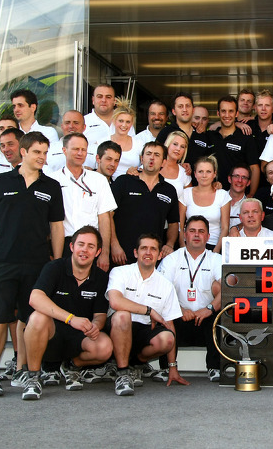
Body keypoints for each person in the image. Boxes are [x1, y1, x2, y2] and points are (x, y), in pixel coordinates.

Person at [0, 131, 65, 397]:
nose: (43, 158)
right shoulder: (0, 181)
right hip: (3, 261)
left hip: (36, 263)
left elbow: (56, 227)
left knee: (27, 318)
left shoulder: (51, 186)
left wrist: (56, 262)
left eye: (46, 153)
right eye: (37, 152)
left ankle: (23, 370)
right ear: (23, 152)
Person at [20, 227, 112, 400]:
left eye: (91, 246)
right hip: (50, 333)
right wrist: (70, 319)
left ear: (98, 252)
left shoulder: (101, 277)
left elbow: (100, 314)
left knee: (104, 347)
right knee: (38, 317)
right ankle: (33, 377)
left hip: (79, 337)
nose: (85, 250)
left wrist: (95, 326)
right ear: (71, 247)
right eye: (81, 244)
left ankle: (71, 366)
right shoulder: (54, 268)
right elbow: (35, 298)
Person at [107, 233, 186, 395]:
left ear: (159, 255)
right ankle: (123, 374)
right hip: (117, 329)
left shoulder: (166, 285)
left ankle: (136, 364)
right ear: (136, 253)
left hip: (144, 331)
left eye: (153, 249)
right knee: (122, 315)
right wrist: (149, 310)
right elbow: (115, 302)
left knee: (167, 338)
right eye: (144, 248)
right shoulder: (120, 272)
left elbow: (169, 324)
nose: (148, 253)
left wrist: (172, 367)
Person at [157, 216, 223, 382]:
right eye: (192, 231)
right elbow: (161, 292)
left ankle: (215, 367)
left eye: (201, 232)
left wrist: (209, 309)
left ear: (208, 236)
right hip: (179, 317)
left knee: (218, 316)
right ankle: (166, 368)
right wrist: (179, 310)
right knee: (166, 315)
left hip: (206, 318)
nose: (196, 235)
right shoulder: (171, 259)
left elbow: (229, 289)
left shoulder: (216, 259)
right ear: (184, 234)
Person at [49, 133, 116, 268]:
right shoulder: (52, 180)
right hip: (62, 244)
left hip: (91, 246)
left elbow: (104, 218)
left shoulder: (98, 180)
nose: (80, 153)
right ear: (64, 150)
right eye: (75, 149)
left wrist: (104, 253)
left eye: (83, 149)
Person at [111, 142, 179, 264]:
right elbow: (108, 215)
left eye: (157, 155)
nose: (152, 158)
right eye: (148, 154)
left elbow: (173, 223)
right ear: (142, 158)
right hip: (121, 256)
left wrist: (169, 244)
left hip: (151, 259)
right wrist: (114, 245)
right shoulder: (123, 182)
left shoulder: (169, 190)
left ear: (163, 162)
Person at [179, 156, 231, 253]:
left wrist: (216, 251)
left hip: (213, 244)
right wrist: (183, 248)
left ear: (214, 174)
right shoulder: (186, 193)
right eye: (200, 171)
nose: (204, 175)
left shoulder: (222, 195)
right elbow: (180, 226)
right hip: (189, 244)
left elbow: (225, 228)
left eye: (208, 171)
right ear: (195, 174)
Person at [209, 96, 259, 196]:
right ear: (218, 113)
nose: (227, 115)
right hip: (212, 194)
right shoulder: (210, 136)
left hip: (237, 196)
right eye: (223, 111)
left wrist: (252, 194)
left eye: (231, 111)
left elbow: (254, 168)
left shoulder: (246, 138)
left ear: (236, 114)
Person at [156, 92, 214, 169]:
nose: (184, 109)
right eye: (180, 106)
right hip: (171, 180)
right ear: (173, 111)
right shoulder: (166, 132)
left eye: (188, 106)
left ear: (193, 110)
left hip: (199, 180)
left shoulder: (202, 134)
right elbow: (156, 159)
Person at [109, 98, 143, 180]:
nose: (124, 125)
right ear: (114, 121)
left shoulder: (139, 143)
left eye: (128, 122)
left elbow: (145, 165)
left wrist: (137, 171)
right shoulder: (103, 142)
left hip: (132, 185)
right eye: (121, 121)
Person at [160, 130, 192, 198]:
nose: (178, 149)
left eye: (182, 146)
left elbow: (188, 200)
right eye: (175, 144)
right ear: (168, 144)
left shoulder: (184, 172)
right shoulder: (153, 165)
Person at [247, 89, 273, 154]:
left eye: (267, 105)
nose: (263, 109)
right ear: (255, 108)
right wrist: (237, 123)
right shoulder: (247, 127)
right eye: (260, 105)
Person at [226, 164, 251, 229]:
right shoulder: (217, 198)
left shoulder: (250, 205)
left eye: (244, 177)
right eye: (236, 176)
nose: (239, 180)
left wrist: (236, 228)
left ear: (248, 183)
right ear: (229, 179)